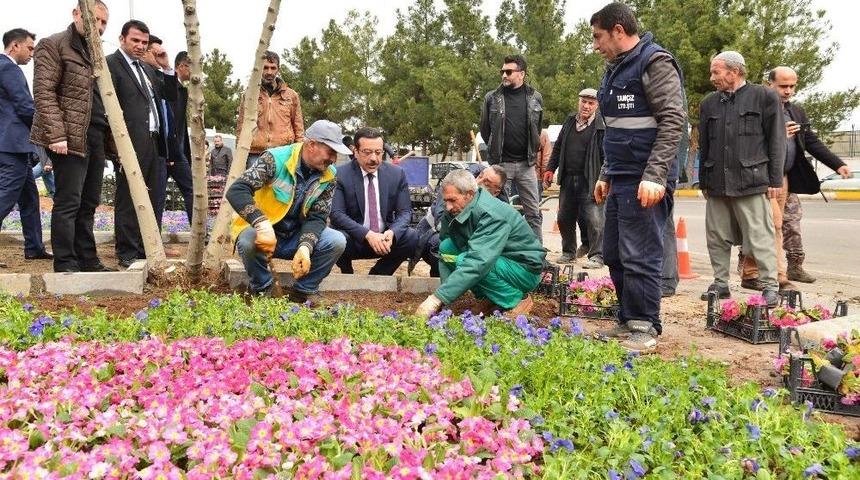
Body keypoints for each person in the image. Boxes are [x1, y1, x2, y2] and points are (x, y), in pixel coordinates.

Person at [589, 2, 686, 354]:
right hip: (620, 175)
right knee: (613, 251)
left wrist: (656, 174)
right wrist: (605, 173)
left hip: (646, 178)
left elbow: (674, 121)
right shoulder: (615, 69)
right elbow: (614, 129)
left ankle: (646, 325)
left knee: (640, 253)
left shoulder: (654, 62)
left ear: (618, 30)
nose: (596, 45)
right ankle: (629, 319)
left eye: (599, 37)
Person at [744, 66, 852, 285]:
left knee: (778, 224)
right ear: (769, 84)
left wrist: (837, 164)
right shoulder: (757, 109)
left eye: (792, 86)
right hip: (761, 176)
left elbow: (810, 141)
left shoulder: (796, 112)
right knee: (768, 224)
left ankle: (762, 273)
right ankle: (774, 276)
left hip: (784, 177)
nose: (788, 91)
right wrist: (779, 134)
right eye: (783, 86)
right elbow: (748, 143)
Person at [226, 120, 350, 302]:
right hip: (264, 233)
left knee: (336, 241)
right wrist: (261, 224)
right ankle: (263, 290)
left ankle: (303, 292)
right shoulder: (274, 159)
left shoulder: (329, 174)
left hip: (295, 235)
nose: (333, 159)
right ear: (312, 145)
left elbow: (318, 217)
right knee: (247, 241)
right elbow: (237, 190)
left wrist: (305, 248)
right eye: (330, 152)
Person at [698, 51, 786, 307]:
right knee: (717, 236)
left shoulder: (765, 97)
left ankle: (770, 286)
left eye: (716, 71)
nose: (712, 77)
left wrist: (775, 179)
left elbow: (776, 141)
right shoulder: (709, 103)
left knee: (760, 236)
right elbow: (704, 145)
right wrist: (704, 180)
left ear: (734, 72)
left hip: (752, 180)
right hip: (717, 183)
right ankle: (721, 284)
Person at [31, 1, 113, 272]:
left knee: (89, 202)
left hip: (95, 136)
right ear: (77, 14)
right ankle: (65, 261)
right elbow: (44, 93)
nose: (99, 27)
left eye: (103, 23)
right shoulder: (53, 44)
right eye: (95, 20)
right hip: (68, 137)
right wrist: (57, 135)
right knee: (68, 201)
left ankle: (88, 259)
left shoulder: (96, 53)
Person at [415, 169, 544, 316]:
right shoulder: (456, 209)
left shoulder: (491, 214)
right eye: (445, 201)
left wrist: (436, 298)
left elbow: (478, 261)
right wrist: (446, 299)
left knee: (466, 260)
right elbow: (445, 245)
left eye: (452, 200)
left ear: (469, 194)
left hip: (523, 268)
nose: (448, 206)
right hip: (497, 260)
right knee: (446, 248)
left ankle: (517, 299)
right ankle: (488, 298)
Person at [106, 20, 175, 267]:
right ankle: (127, 251)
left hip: (155, 141)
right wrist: (115, 146)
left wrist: (166, 67)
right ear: (122, 38)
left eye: (144, 42)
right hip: (130, 141)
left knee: (154, 197)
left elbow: (170, 97)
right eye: (135, 40)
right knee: (129, 197)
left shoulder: (146, 69)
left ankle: (148, 248)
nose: (140, 46)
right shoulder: (110, 64)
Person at [330, 127, 418, 275]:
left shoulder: (396, 174)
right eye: (367, 152)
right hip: (354, 239)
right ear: (355, 151)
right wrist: (368, 234)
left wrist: (392, 233)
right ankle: (347, 271)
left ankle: (379, 274)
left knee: (411, 236)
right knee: (336, 238)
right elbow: (337, 214)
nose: (373, 158)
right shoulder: (340, 174)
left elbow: (405, 212)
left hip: (384, 240)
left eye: (378, 152)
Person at [0, 28, 51, 267]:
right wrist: (48, 132)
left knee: (29, 198)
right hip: (12, 147)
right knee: (5, 197)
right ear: (14, 46)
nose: (32, 53)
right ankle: (34, 247)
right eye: (30, 48)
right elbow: (25, 107)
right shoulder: (9, 68)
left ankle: (34, 248)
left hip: (10, 145)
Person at [479, 54, 544, 241]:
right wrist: (495, 150)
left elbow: (536, 129)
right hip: (501, 165)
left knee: (533, 213)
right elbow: (485, 130)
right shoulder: (492, 98)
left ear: (521, 74)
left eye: (508, 71)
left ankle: (536, 254)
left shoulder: (535, 97)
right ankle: (500, 250)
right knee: (496, 212)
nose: (504, 75)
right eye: (502, 71)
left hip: (526, 165)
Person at [544, 88, 605, 268]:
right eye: (583, 101)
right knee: (564, 217)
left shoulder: (601, 126)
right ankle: (568, 252)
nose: (586, 106)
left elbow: (607, 155)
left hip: (591, 180)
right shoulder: (570, 121)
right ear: (579, 102)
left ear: (597, 105)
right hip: (568, 179)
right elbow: (558, 148)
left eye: (590, 103)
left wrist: (604, 178)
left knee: (594, 219)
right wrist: (549, 169)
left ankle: (597, 256)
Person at [414, 164, 508, 277]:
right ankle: (440, 278)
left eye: (486, 183)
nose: (478, 182)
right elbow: (441, 222)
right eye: (480, 176)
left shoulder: (498, 205)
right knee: (441, 245)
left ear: (496, 193)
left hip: (473, 240)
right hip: (432, 232)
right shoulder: (455, 184)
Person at [143, 39, 194, 225]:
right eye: (156, 54)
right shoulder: (150, 82)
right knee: (158, 196)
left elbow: (178, 123)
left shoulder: (177, 87)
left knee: (191, 189)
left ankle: (199, 233)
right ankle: (154, 238)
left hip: (176, 150)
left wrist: (181, 150)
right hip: (158, 150)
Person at [238, 51, 304, 168]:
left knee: (281, 186)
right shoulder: (250, 94)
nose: (269, 72)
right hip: (255, 154)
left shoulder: (291, 95)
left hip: (284, 153)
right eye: (265, 68)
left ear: (278, 69)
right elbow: (241, 125)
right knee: (256, 187)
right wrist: (240, 155)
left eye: (273, 68)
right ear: (260, 69)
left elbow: (298, 126)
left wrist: (299, 155)